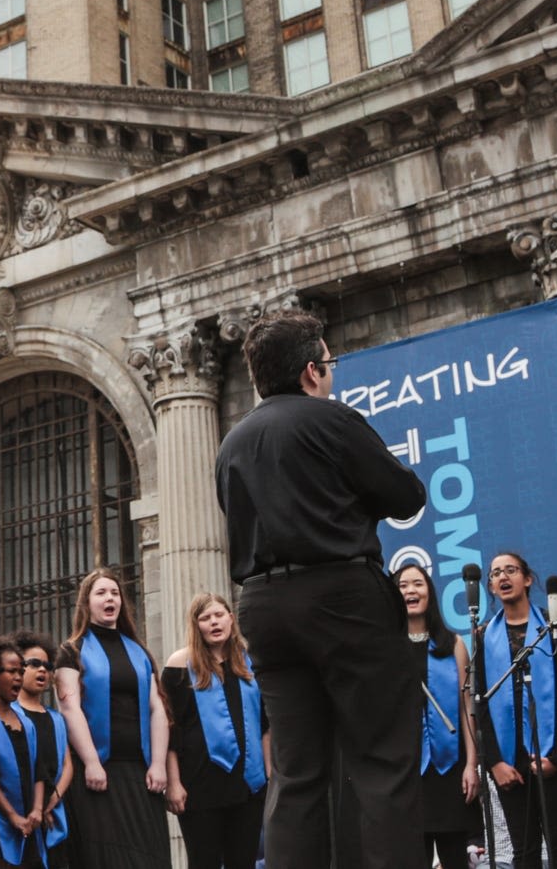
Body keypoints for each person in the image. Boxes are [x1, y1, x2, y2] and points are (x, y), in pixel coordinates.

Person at [214, 310, 427, 868]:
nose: (330, 374)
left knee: (297, 769)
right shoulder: (331, 420)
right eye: (329, 363)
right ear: (312, 371)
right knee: (384, 759)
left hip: (262, 607)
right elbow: (406, 497)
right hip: (341, 595)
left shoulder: (231, 444)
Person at [54, 569, 169, 869]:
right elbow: (70, 709)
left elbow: (156, 708)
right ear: (86, 603)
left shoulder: (139, 651)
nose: (110, 598)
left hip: (140, 773)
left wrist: (158, 764)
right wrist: (91, 761)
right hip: (98, 773)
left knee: (149, 858)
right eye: (101, 593)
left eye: (115, 593)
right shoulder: (71, 651)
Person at [478, 550, 557, 869]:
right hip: (509, 760)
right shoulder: (483, 636)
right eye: (495, 574)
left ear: (528, 578)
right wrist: (494, 763)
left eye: (510, 570)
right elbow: (479, 704)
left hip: (551, 755)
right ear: (491, 587)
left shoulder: (553, 627)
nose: (503, 577)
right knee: (524, 850)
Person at [161, 593, 268, 869]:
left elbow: (265, 725)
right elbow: (170, 730)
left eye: (219, 615)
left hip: (248, 785)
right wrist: (173, 783)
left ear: (231, 619)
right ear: (196, 625)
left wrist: (269, 775)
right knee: (203, 862)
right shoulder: (178, 666)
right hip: (199, 785)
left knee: (243, 862)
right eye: (205, 618)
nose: (214, 622)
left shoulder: (250, 664)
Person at [394, 564, 478, 869]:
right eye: (403, 586)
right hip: (407, 769)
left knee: (455, 856)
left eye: (418, 584)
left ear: (430, 591)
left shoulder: (454, 645)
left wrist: (471, 764)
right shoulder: (387, 648)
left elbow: (467, 708)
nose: (411, 591)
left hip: (449, 769)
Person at [0, 636, 49, 869]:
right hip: (1, 822)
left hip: (31, 822)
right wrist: (12, 815)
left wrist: (37, 810)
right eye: (12, 672)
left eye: (21, 672)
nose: (19, 678)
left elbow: (39, 769)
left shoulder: (25, 722)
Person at [15, 633, 72, 869]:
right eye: (34, 664)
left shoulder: (56, 718)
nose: (42, 671)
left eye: (48, 666)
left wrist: (52, 800)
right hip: (19, 810)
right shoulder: (9, 713)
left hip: (53, 812)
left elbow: (68, 764)